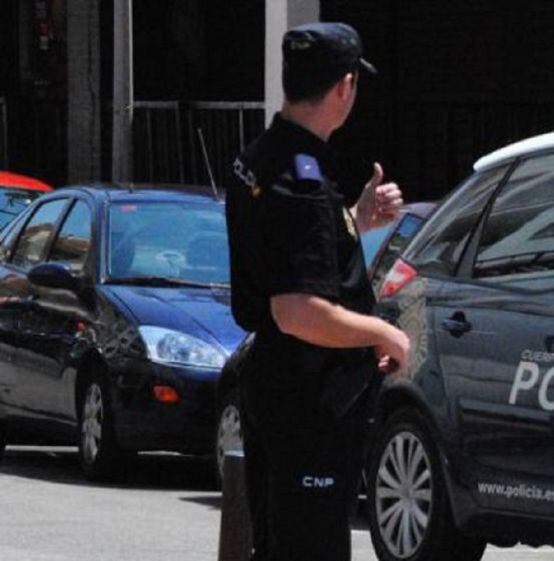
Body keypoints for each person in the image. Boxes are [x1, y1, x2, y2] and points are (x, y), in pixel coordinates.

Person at [224, 22, 410, 561]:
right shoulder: (302, 182)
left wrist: (356, 219)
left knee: (278, 543)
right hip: (308, 398)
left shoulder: (262, 157)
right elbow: (298, 311)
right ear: (344, 87)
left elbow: (289, 258)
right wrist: (385, 335)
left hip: (276, 384)